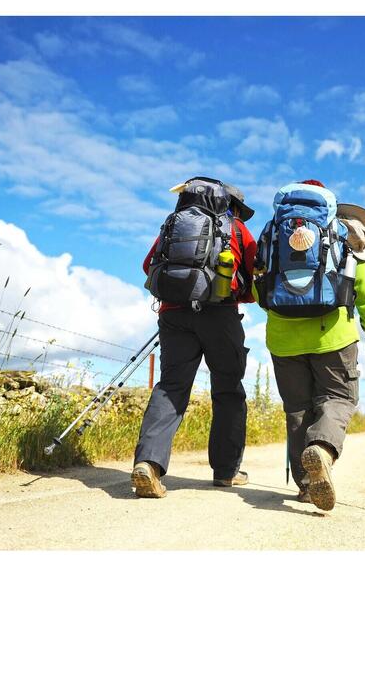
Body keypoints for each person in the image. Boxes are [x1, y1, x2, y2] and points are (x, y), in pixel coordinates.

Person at [254, 180, 365, 511]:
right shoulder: (341, 234)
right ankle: (322, 449)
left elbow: (259, 291)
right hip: (333, 336)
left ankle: (306, 485)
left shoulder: (273, 236)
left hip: (283, 340)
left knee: (297, 409)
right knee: (338, 397)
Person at [131, 177, 258, 498]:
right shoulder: (236, 230)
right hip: (220, 315)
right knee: (228, 389)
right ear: (230, 205)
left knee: (171, 386)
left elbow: (149, 265)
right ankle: (227, 472)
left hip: (173, 314)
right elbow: (254, 275)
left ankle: (148, 463)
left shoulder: (174, 225)